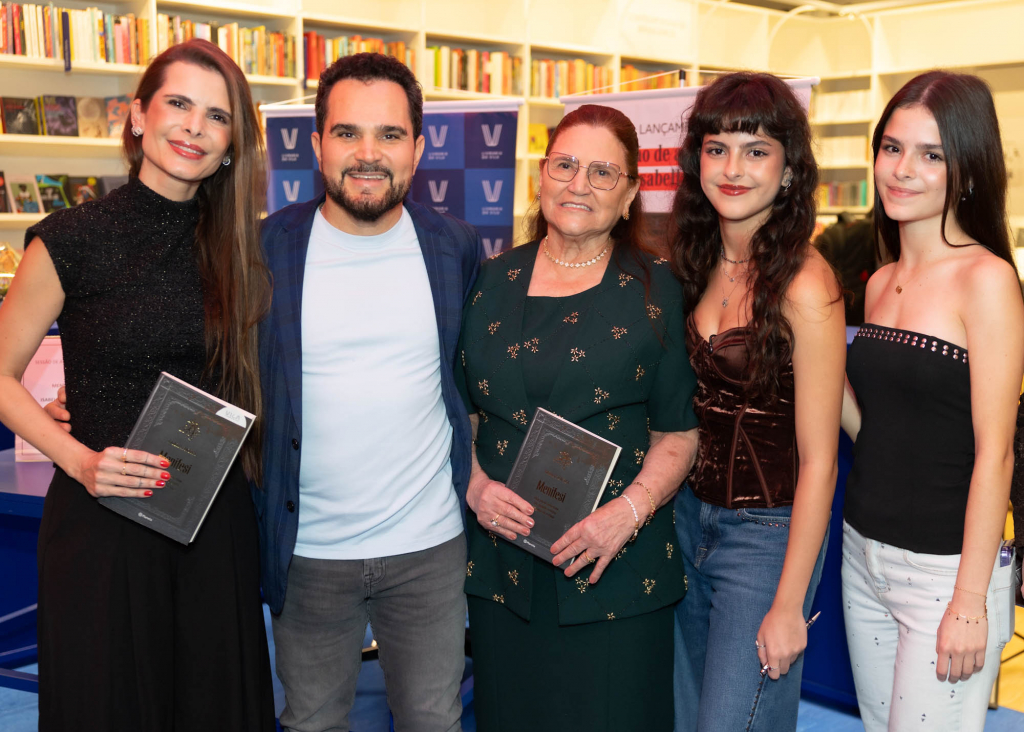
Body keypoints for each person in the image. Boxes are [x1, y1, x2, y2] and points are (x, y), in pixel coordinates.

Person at [0, 39, 276, 730]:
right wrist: (80, 461)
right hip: (102, 525)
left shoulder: (248, 249)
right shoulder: (69, 239)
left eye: (216, 117)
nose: (193, 127)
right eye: (178, 104)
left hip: (213, 527)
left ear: (232, 143)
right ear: (136, 116)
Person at [255, 53, 482, 732]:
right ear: (317, 143)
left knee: (432, 722)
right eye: (348, 133)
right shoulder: (263, 250)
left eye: (388, 135)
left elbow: (475, 380)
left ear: (418, 146)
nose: (368, 155)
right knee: (311, 723)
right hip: (307, 552)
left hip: (430, 550)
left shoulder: (456, 248)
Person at [456, 103, 700, 732]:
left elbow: (679, 431)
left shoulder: (658, 291)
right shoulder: (490, 278)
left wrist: (628, 514)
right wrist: (475, 486)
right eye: (565, 164)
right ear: (542, 175)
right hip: (503, 568)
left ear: (631, 194)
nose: (578, 184)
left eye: (601, 172)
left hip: (615, 567)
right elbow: (466, 414)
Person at [840, 70, 1024, 732]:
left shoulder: (988, 281)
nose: (902, 170)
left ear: (966, 169)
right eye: (892, 147)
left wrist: (970, 601)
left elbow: (994, 454)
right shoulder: (880, 280)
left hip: (947, 573)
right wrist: (822, 365)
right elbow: (880, 435)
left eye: (931, 154)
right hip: (862, 553)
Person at [668, 72, 846, 732]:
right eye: (718, 149)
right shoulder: (695, 257)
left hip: (766, 539)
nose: (733, 169)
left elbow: (821, 461)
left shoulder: (806, 283)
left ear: (790, 168)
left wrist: (789, 601)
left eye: (756, 150)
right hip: (685, 524)